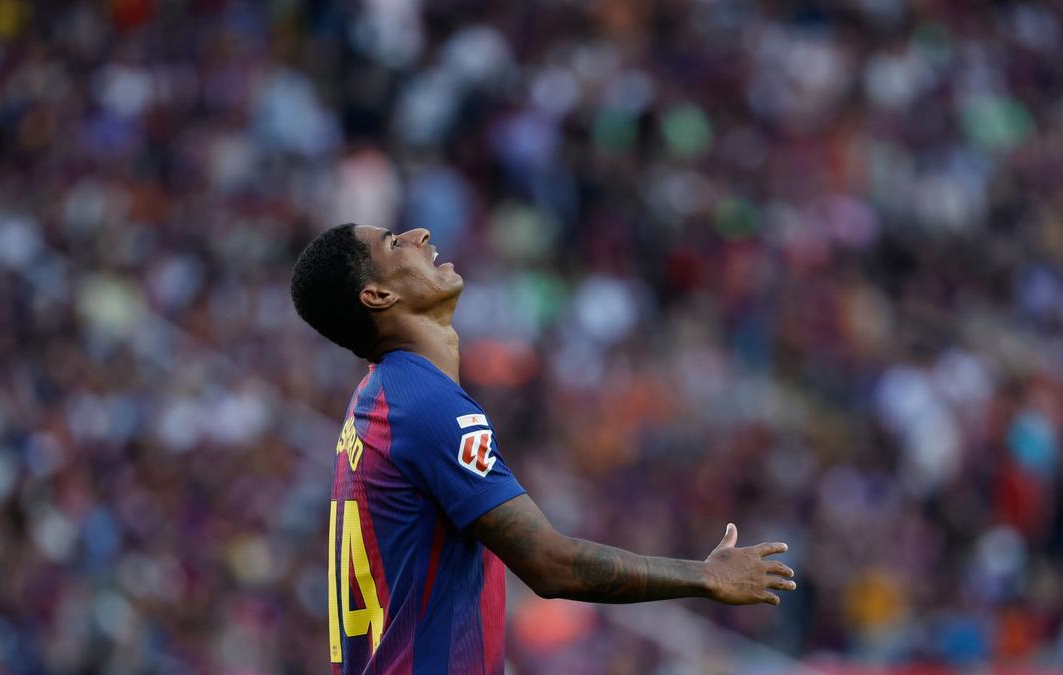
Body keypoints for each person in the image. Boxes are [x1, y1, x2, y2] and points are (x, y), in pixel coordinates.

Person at [290, 224, 798, 674]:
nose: (418, 235)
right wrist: (706, 576)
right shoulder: (422, 403)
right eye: (392, 243)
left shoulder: (377, 401)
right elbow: (551, 565)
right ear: (377, 295)